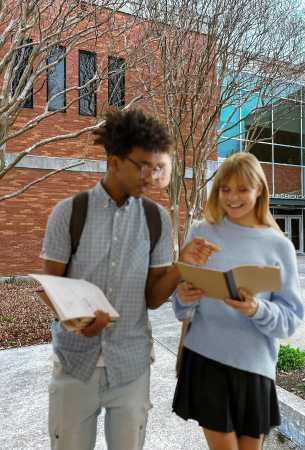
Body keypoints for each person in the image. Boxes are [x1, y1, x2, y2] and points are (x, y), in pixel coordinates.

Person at [40, 109, 212, 450]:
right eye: (142, 166)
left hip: (131, 367)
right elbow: (50, 287)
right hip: (75, 363)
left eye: (156, 167)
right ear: (114, 161)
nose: (150, 176)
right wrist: (78, 321)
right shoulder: (69, 213)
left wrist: (181, 265)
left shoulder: (156, 219)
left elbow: (152, 298)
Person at [172, 152, 304, 450]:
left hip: (255, 364)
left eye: (242, 189)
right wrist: (183, 295)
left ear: (259, 190)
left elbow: (291, 320)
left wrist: (256, 308)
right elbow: (182, 309)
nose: (233, 197)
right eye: (225, 188)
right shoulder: (201, 233)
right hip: (206, 359)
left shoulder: (279, 245)